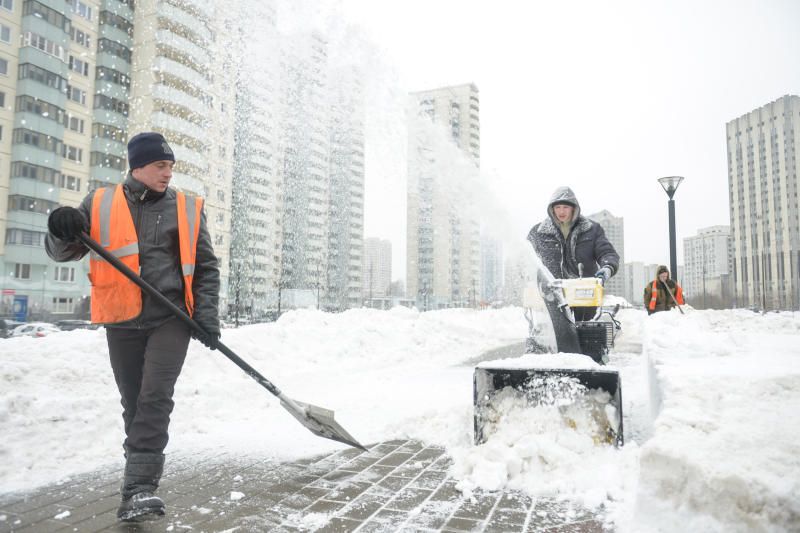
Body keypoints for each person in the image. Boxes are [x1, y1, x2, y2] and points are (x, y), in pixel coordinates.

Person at [45, 132, 221, 522]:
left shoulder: (187, 209)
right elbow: (64, 253)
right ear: (137, 166)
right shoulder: (100, 203)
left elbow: (206, 267)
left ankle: (141, 489)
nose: (168, 174)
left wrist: (207, 315)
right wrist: (60, 227)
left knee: (155, 397)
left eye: (171, 167)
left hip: (171, 317)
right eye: (161, 165)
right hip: (122, 318)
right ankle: (134, 486)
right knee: (135, 401)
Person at [527, 186, 620, 321]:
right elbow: (525, 258)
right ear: (552, 209)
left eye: (565, 207)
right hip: (552, 295)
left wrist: (607, 267)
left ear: (574, 208)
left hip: (583, 293)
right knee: (555, 335)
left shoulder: (591, 230)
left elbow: (606, 252)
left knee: (586, 334)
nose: (561, 211)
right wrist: (526, 275)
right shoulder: (538, 232)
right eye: (558, 207)